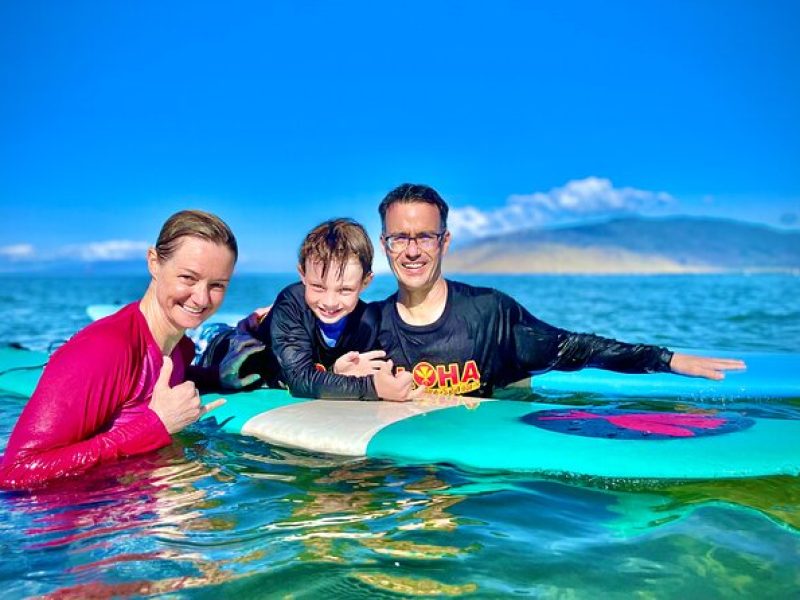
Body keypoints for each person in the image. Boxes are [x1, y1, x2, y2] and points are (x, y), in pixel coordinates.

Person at [369, 183, 746, 398]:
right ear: (385, 244)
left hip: (474, 479)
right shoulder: (370, 325)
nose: (413, 250)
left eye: (425, 237)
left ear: (444, 242)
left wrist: (667, 360)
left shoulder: (490, 314)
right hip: (400, 468)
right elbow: (311, 366)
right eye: (400, 238)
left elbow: (576, 348)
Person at [0, 210, 236, 490]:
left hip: (130, 506)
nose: (201, 298)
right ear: (154, 263)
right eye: (188, 278)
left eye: (217, 285)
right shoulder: (106, 348)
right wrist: (154, 426)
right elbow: (15, 472)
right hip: (73, 525)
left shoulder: (180, 350)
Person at [200, 218, 422, 401]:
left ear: (365, 282)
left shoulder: (369, 320)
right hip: (217, 352)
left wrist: (339, 371)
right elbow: (299, 381)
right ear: (302, 274)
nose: (330, 302)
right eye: (318, 286)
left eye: (345, 290)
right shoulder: (292, 302)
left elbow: (325, 371)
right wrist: (373, 387)